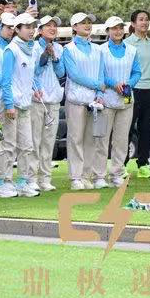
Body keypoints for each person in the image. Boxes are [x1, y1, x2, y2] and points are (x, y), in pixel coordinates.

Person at [0, 12, 41, 198]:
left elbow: (28, 78)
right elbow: (6, 81)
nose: (31, 31)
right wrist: (9, 105)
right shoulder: (11, 50)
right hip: (11, 105)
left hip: (25, 104)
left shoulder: (31, 49)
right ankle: (2, 182)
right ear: (17, 29)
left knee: (27, 145)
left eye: (32, 27)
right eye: (27, 27)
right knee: (7, 145)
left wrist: (35, 89)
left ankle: (22, 182)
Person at [61, 13, 105, 190]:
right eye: (82, 23)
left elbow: (100, 72)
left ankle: (87, 175)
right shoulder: (69, 49)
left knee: (90, 138)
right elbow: (74, 74)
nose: (87, 25)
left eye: (89, 22)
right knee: (76, 138)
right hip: (76, 99)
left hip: (94, 100)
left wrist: (99, 93)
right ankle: (76, 177)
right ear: (74, 27)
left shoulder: (97, 49)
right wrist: (97, 85)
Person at [96, 15, 140, 187]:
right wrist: (114, 84)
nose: (118, 31)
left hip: (127, 99)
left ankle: (117, 173)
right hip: (106, 99)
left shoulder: (131, 50)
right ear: (108, 31)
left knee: (121, 140)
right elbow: (99, 73)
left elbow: (137, 72)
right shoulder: (100, 50)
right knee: (102, 138)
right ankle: (99, 175)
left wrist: (129, 84)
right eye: (114, 28)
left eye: (120, 27)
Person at [127, 11, 150, 178]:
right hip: (133, 90)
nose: (145, 22)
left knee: (146, 129)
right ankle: (121, 164)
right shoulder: (127, 43)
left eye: (146, 20)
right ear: (133, 24)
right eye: (141, 20)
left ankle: (143, 164)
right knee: (127, 127)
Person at [31, 16, 63, 191]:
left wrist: (55, 58)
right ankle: (32, 178)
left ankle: (45, 178)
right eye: (48, 26)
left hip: (54, 99)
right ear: (40, 30)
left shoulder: (59, 47)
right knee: (35, 140)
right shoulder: (34, 47)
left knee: (49, 141)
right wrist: (44, 56)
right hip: (37, 99)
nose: (52, 28)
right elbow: (33, 71)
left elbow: (61, 72)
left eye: (54, 26)